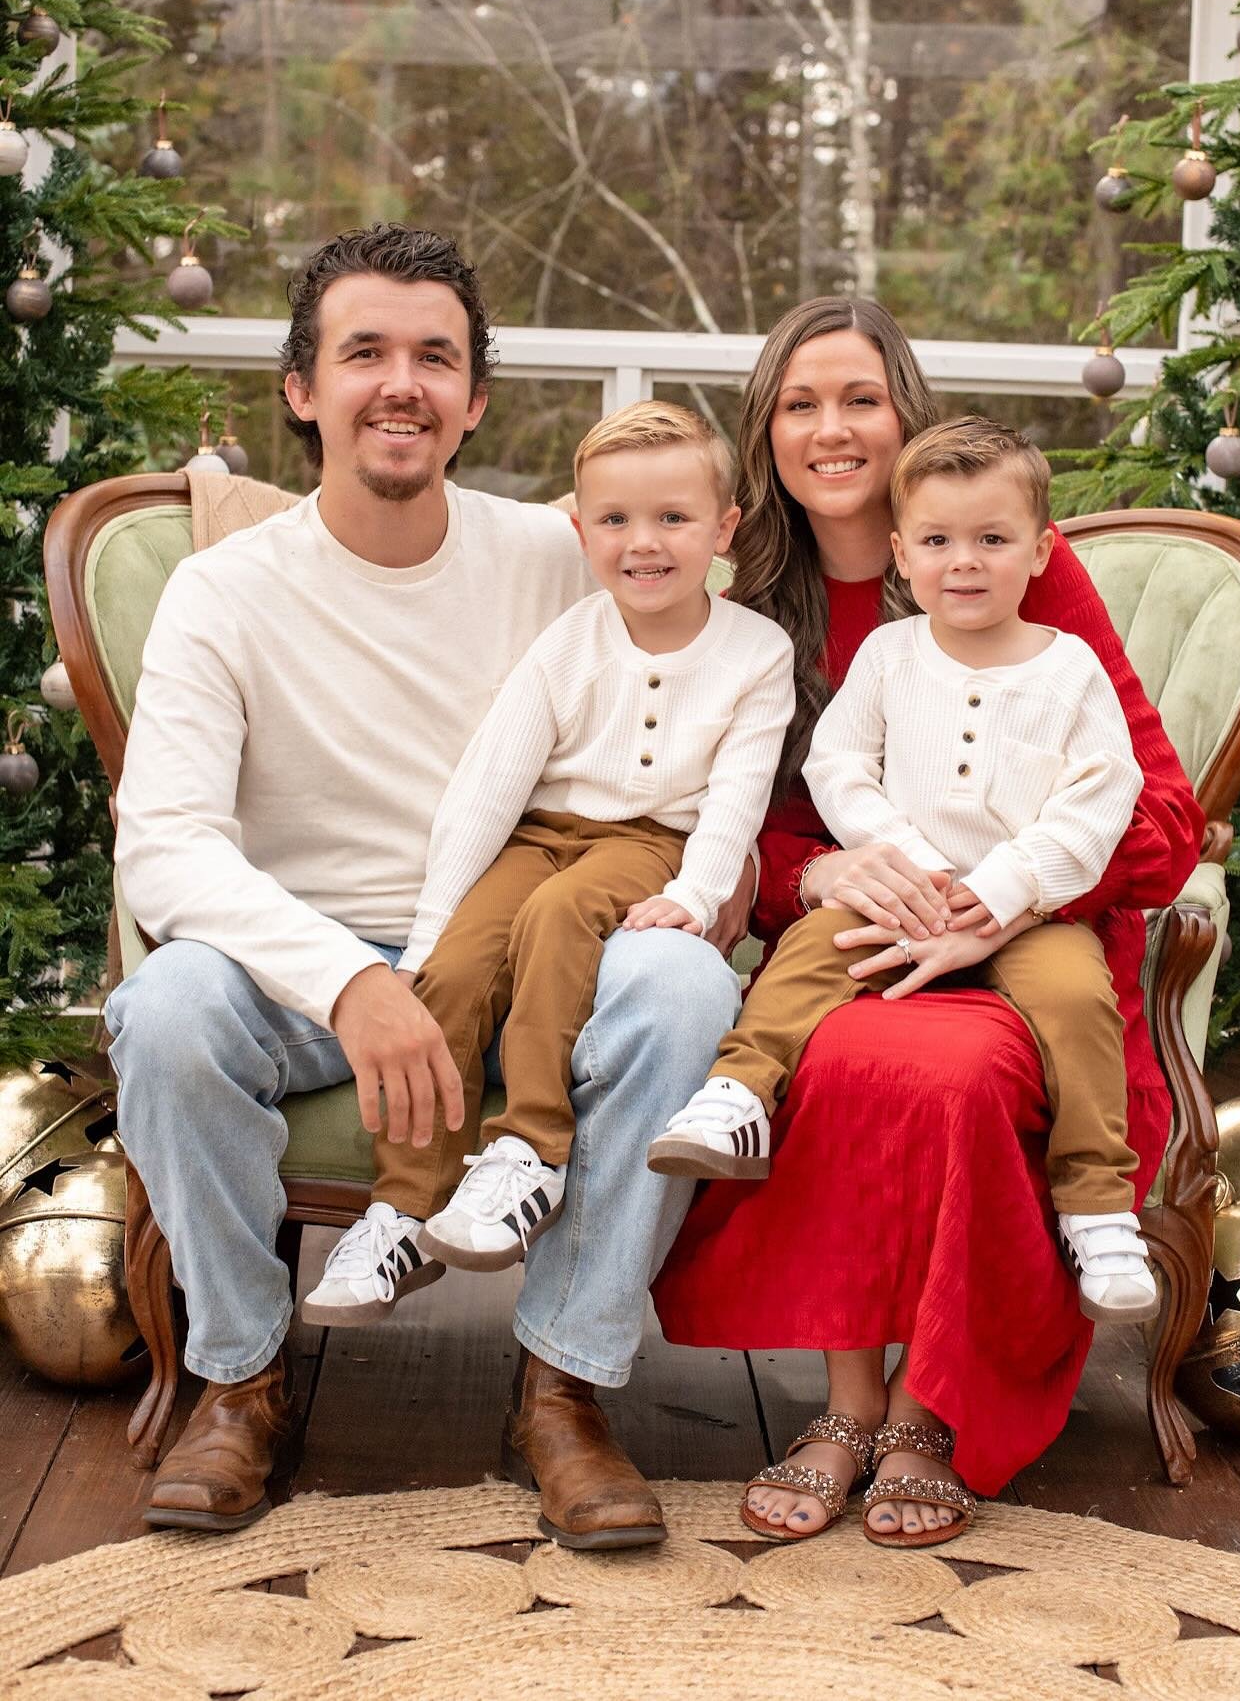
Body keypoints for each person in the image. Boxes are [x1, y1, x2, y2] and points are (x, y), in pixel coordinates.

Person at [106, 226, 746, 1546]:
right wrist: (349, 980)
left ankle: (561, 1384)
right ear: (301, 389)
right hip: (295, 962)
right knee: (166, 1008)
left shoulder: (557, 555)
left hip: (521, 930)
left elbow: (706, 684)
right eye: (364, 352)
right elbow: (161, 847)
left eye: (433, 357)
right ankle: (240, 1375)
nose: (400, 382)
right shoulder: (220, 591)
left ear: (474, 400)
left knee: (681, 980)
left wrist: (715, 871)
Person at [651, 297, 1205, 1549]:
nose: (830, 428)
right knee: (839, 1055)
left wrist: (993, 900)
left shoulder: (1013, 571)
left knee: (946, 1075)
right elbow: (739, 826)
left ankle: (922, 1412)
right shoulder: (747, 602)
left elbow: (1153, 814)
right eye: (799, 403)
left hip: (1028, 943)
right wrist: (830, 878)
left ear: (908, 415)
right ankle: (842, 1401)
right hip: (862, 936)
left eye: (859, 398)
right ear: (765, 431)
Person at [656, 412, 1158, 1329]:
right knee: (809, 955)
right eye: (937, 541)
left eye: (991, 540)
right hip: (899, 890)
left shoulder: (1072, 670)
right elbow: (838, 768)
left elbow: (1103, 797)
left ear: (1042, 551)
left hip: (1028, 911)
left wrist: (1005, 886)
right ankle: (735, 1092)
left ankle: (1096, 1203)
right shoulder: (890, 656)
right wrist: (911, 865)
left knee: (1079, 1004)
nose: (962, 561)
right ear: (901, 553)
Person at [296, 402, 791, 1287]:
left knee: (560, 919)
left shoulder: (756, 652)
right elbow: (488, 788)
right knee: (454, 971)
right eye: (614, 520)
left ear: (724, 528)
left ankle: (530, 1147)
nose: (643, 543)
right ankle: (403, 1209)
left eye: (673, 518)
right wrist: (429, 930)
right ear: (581, 531)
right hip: (538, 834)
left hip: (651, 842)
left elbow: (736, 797)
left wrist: (701, 891)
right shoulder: (568, 643)